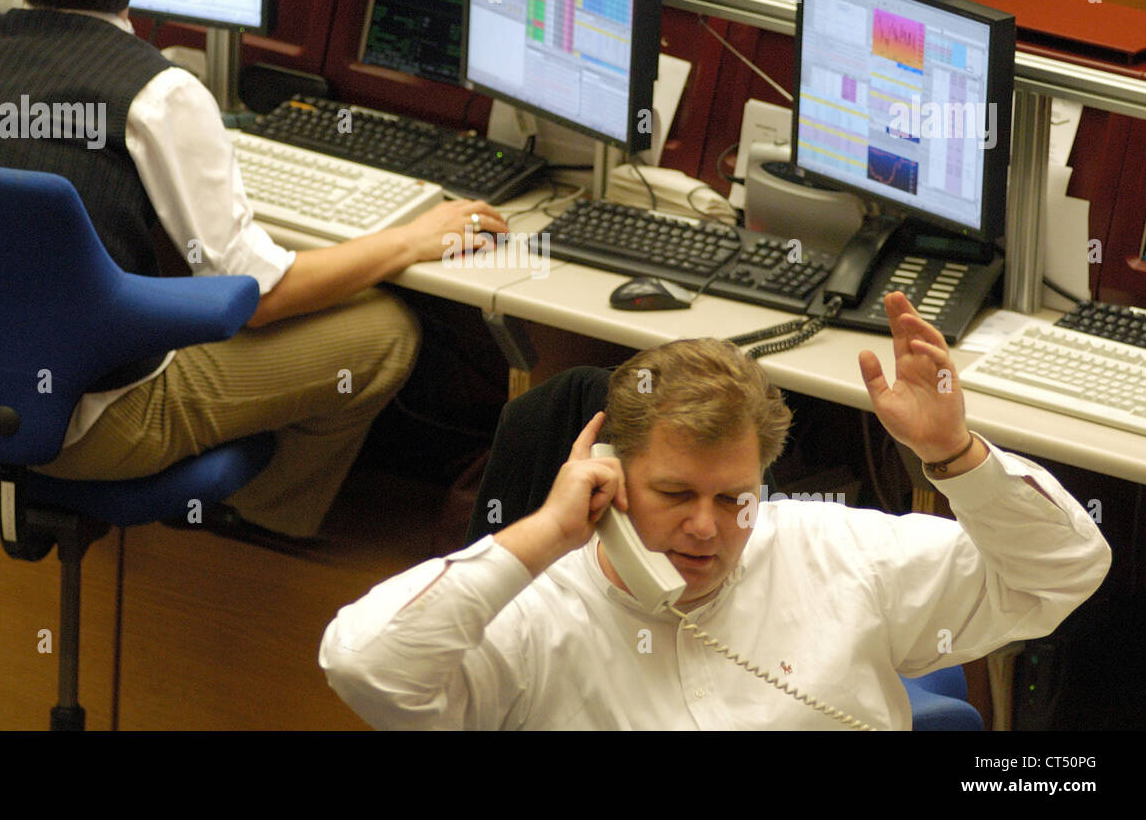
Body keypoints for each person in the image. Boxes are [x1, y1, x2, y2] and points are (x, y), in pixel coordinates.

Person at [0, 0, 507, 543]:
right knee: (389, 330)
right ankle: (257, 523)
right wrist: (405, 241)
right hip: (88, 432)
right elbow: (259, 299)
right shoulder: (158, 91)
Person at [319, 292, 1112, 729]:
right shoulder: (537, 618)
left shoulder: (833, 551)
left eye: (734, 499)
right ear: (609, 478)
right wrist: (543, 534)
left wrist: (956, 459)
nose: (708, 527)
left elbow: (1064, 571)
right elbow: (365, 666)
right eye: (676, 495)